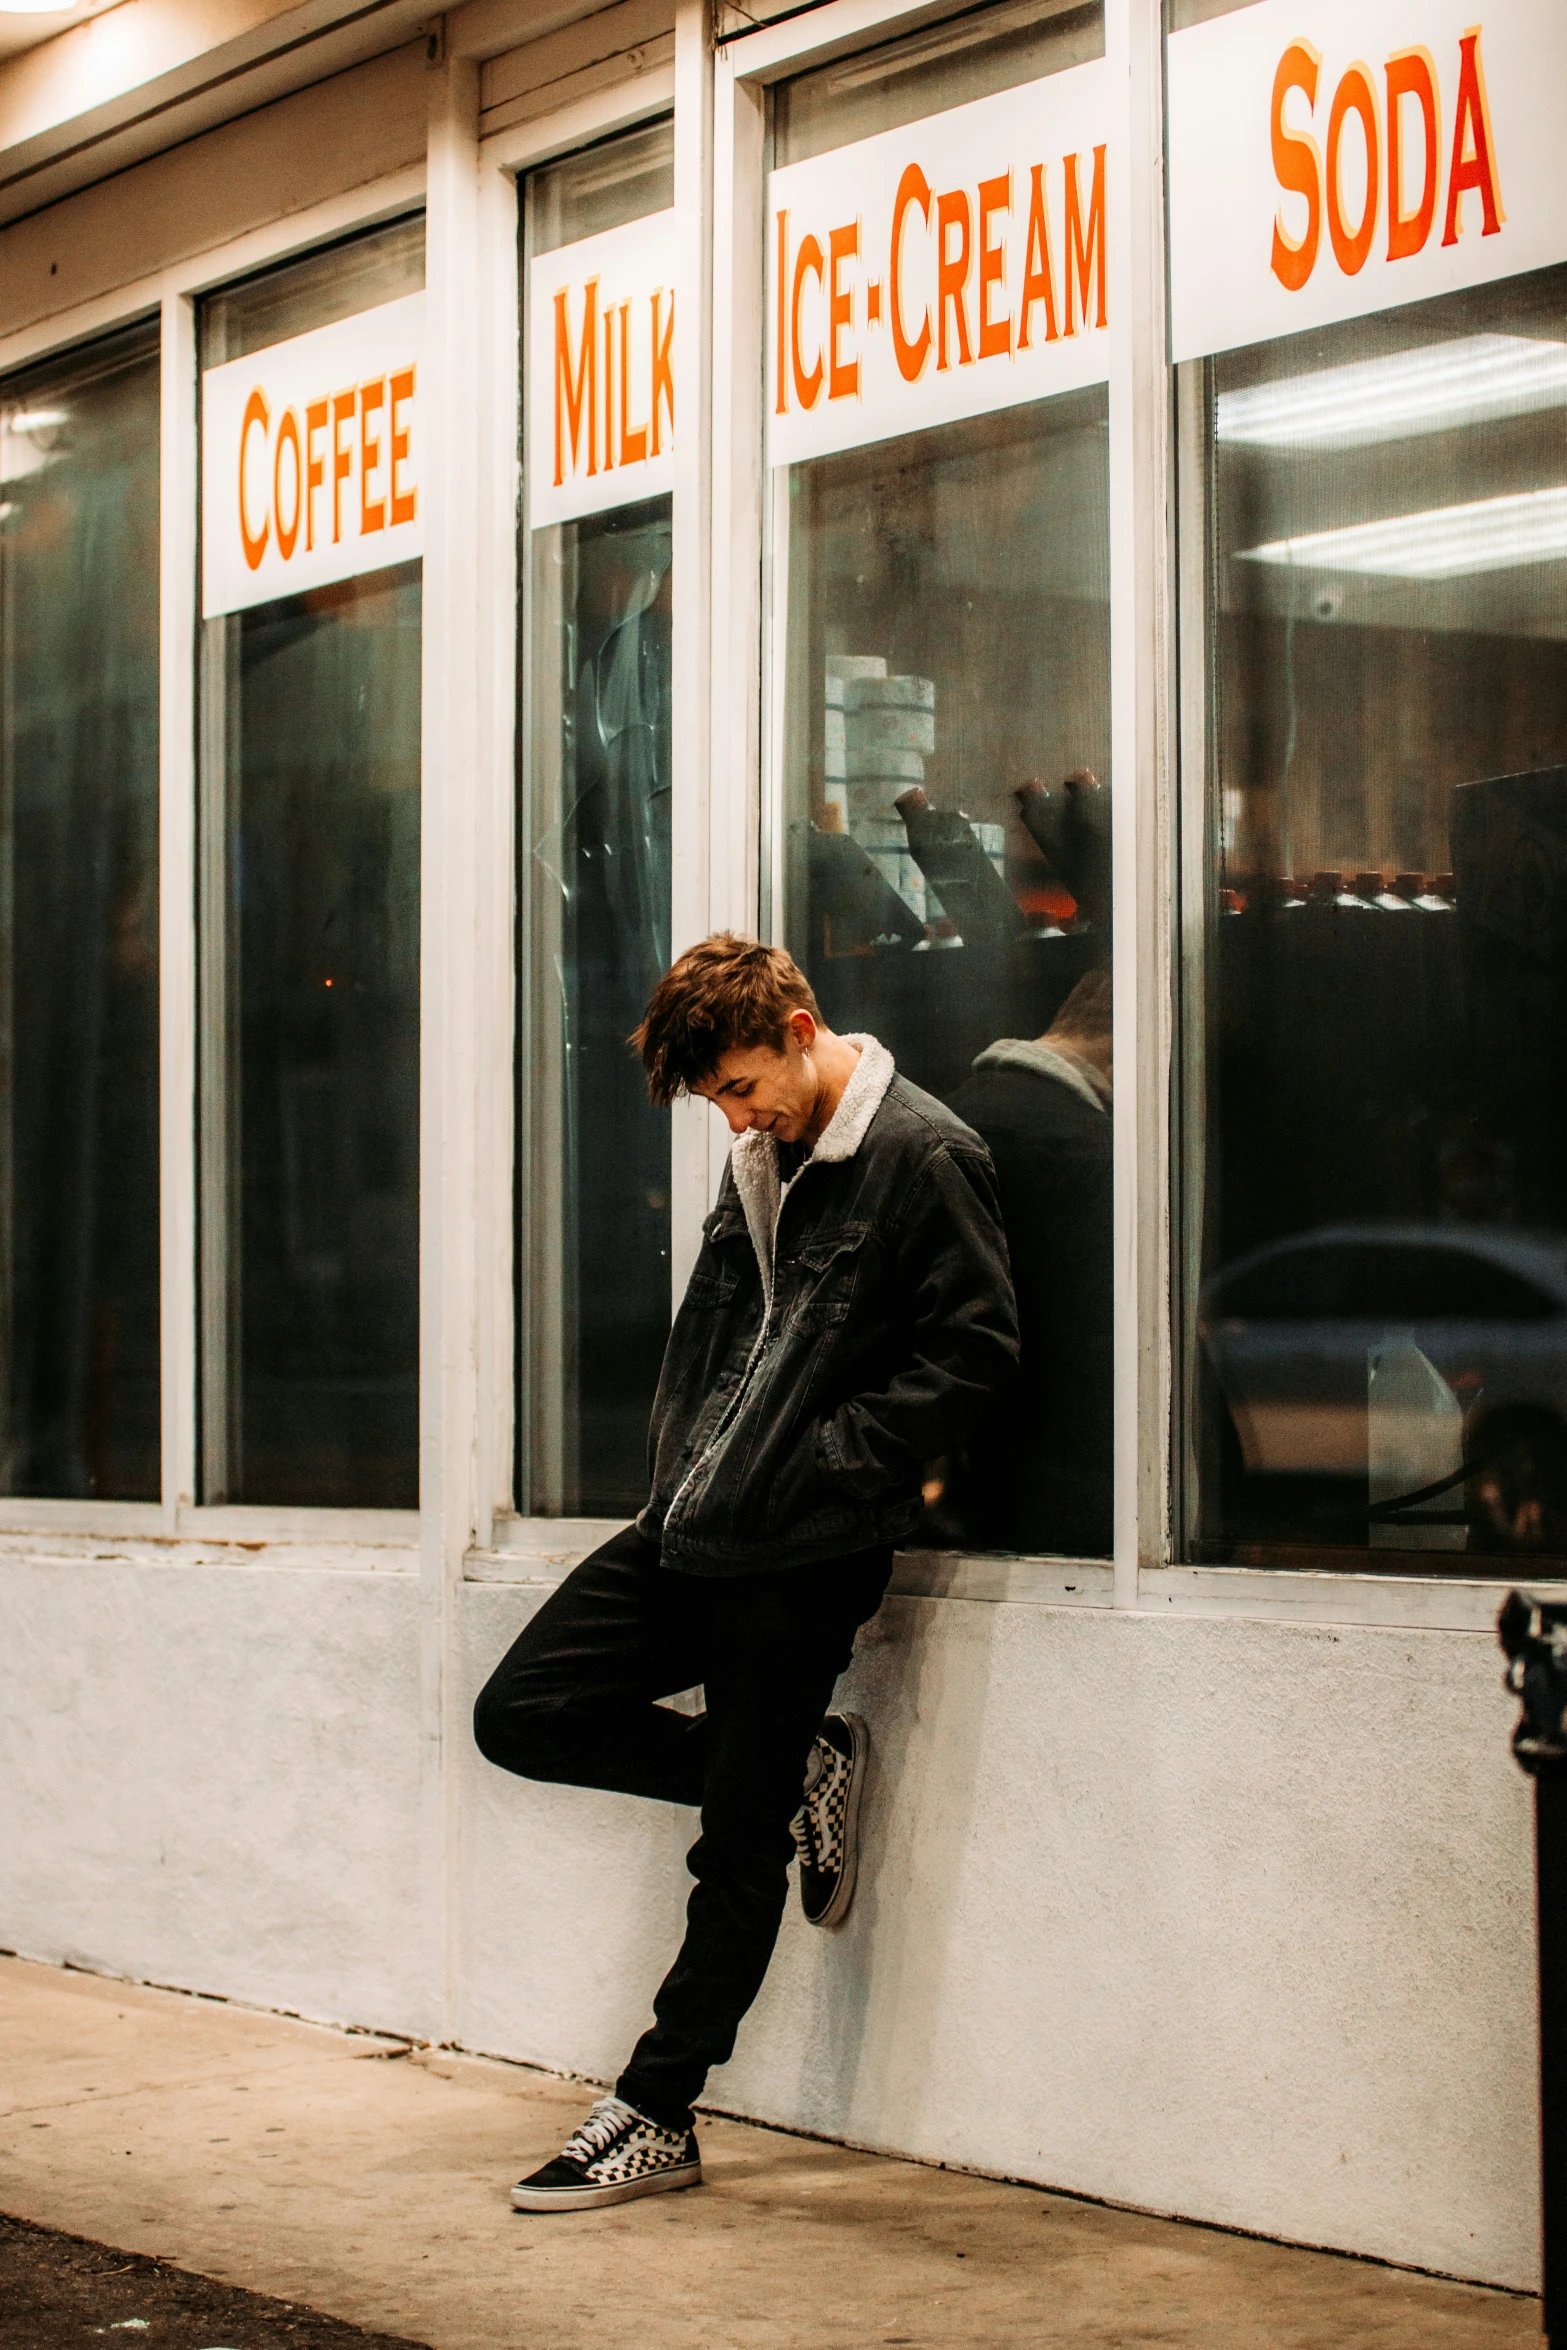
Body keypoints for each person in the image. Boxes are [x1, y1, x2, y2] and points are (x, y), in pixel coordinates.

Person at [474, 934, 1018, 2212]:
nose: (734, 1113)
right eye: (715, 1097)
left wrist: (825, 1463)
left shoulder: (922, 1154)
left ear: (798, 1021)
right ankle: (792, 1770)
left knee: (732, 1849)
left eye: (738, 1084)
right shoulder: (760, 1154)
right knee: (522, 1713)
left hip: (804, 1549)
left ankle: (657, 2109)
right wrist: (682, 1472)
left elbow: (975, 1356)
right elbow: (720, 1330)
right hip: (694, 1522)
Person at [945, 967, 1114, 1559]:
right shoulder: (1083, 1148)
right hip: (1071, 1482)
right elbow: (1098, 1341)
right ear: (1122, 1046)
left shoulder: (952, 1118)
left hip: (979, 1468)